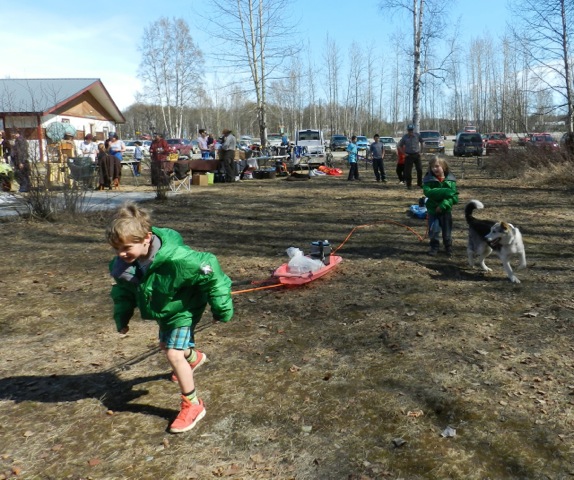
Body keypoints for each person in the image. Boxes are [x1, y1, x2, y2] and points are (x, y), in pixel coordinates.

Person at [106, 202, 234, 433]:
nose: (121, 254)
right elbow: (124, 293)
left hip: (185, 307)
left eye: (126, 247)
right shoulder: (124, 265)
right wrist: (122, 318)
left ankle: (193, 405)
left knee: (173, 353)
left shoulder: (178, 258)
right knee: (167, 345)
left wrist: (221, 308)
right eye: (116, 249)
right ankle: (193, 358)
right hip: (163, 307)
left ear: (146, 238)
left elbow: (211, 272)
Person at [422, 155, 458, 257]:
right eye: (433, 167)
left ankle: (448, 247)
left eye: (437, 166)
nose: (435, 169)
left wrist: (442, 205)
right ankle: (434, 247)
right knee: (434, 230)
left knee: (447, 232)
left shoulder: (451, 181)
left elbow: (454, 198)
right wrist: (446, 191)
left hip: (445, 211)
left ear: (444, 167)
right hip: (433, 211)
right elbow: (428, 192)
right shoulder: (428, 180)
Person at [397, 124, 423, 189]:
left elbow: (422, 142)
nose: (410, 132)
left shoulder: (417, 135)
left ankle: (419, 183)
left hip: (417, 155)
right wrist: (403, 153)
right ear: (407, 130)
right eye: (409, 130)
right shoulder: (405, 137)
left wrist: (421, 151)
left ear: (413, 130)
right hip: (408, 155)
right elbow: (400, 146)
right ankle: (409, 185)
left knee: (419, 169)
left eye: (411, 130)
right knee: (408, 171)